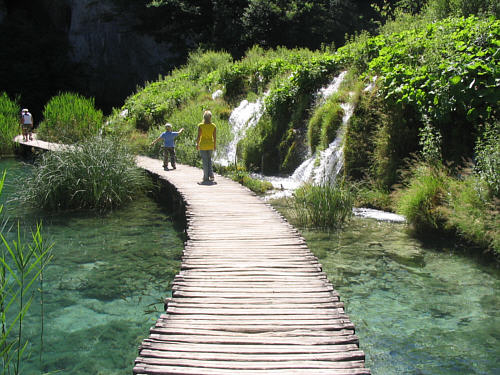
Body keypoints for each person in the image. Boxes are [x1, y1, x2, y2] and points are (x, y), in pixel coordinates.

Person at [196, 110, 216, 183]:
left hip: (203, 145)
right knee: (209, 160)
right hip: (210, 144)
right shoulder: (213, 126)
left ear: (204, 117)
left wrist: (197, 144)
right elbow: (214, 137)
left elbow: (199, 136)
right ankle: (211, 175)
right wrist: (214, 145)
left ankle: (205, 177)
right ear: (210, 117)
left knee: (205, 161)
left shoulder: (200, 125)